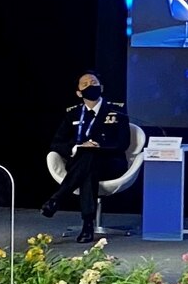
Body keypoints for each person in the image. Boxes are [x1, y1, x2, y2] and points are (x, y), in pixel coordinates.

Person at [41, 71, 130, 243]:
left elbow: (123, 142)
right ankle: (87, 225)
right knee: (88, 165)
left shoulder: (116, 110)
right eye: (85, 84)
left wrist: (100, 147)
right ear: (79, 93)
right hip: (82, 164)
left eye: (94, 82)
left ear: (101, 87)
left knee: (90, 157)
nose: (91, 86)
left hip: (111, 163)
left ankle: (58, 199)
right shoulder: (73, 114)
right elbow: (57, 143)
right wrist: (76, 147)